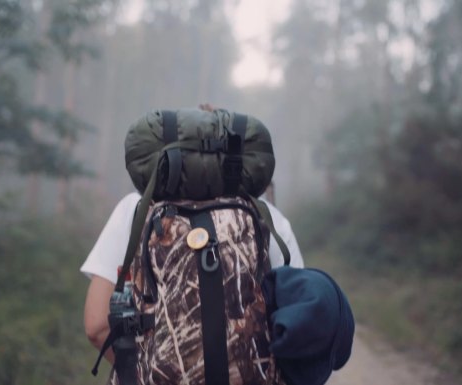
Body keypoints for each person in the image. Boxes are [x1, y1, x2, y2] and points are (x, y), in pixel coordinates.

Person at [81, 103, 304, 364]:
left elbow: (96, 326)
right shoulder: (269, 219)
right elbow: (300, 329)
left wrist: (136, 375)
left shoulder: (134, 211)